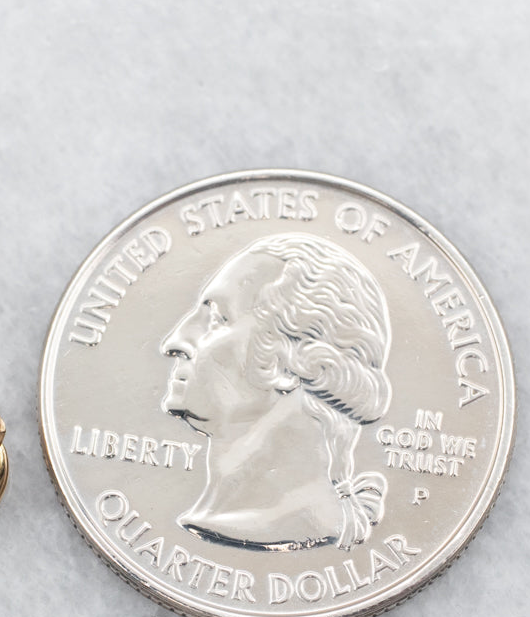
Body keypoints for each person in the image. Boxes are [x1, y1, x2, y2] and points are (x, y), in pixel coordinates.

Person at [160, 233, 393, 551]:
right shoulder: (213, 518)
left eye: (217, 318)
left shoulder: (291, 526)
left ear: (294, 359)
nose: (174, 342)